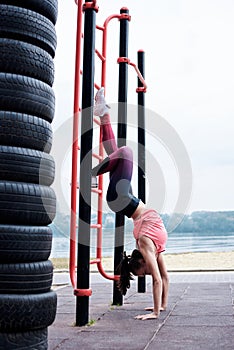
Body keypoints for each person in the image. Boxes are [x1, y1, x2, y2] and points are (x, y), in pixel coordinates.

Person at [92, 88, 169, 321]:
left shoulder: (146, 245)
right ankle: (103, 114)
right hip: (126, 200)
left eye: (141, 271)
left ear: (141, 260)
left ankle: (92, 173)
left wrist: (153, 314)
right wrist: (162, 307)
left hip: (121, 198)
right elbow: (164, 277)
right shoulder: (155, 250)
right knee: (117, 153)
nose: (147, 272)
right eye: (144, 272)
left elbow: (156, 279)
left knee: (125, 152)